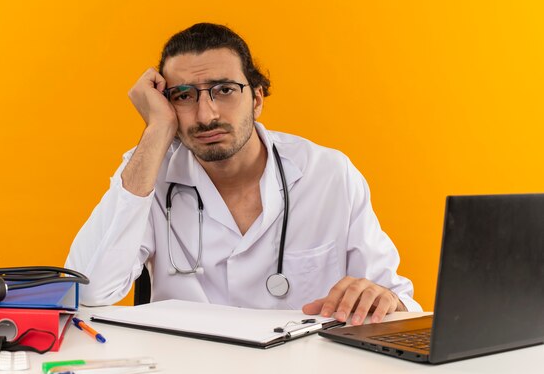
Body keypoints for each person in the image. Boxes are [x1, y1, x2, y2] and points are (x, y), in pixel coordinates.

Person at [66, 23, 422, 325]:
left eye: (224, 90)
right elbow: (88, 291)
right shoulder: (148, 170)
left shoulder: (328, 174)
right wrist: (157, 130)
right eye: (183, 96)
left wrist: (383, 298)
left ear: (257, 98)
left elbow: (396, 299)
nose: (206, 114)